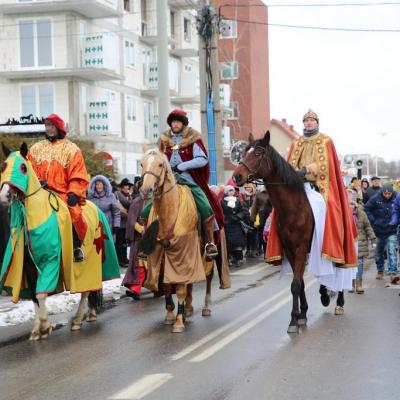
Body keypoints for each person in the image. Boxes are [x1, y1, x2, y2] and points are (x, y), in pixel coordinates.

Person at [267, 109, 357, 290]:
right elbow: (288, 164)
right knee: (279, 210)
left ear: (317, 123)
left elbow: (326, 166)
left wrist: (306, 170)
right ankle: (277, 246)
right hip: (298, 186)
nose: (308, 123)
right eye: (306, 121)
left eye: (311, 120)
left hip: (318, 186)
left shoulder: (326, 141)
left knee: (331, 207)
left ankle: (330, 244)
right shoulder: (297, 142)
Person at [156, 108, 225, 260]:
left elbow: (203, 159)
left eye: (178, 121)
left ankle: (209, 242)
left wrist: (182, 166)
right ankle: (147, 240)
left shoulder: (192, 138)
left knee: (206, 205)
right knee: (148, 206)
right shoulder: (163, 140)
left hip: (188, 179)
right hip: (168, 179)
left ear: (183, 123)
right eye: (173, 121)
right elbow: (156, 158)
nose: (175, 124)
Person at [28, 114, 89, 262]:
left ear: (58, 128)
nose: (48, 129)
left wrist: (73, 192)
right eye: (47, 126)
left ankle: (76, 247)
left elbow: (78, 172)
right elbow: (28, 169)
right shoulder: (36, 148)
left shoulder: (72, 149)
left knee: (73, 211)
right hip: (39, 192)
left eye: (51, 126)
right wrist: (37, 181)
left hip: (61, 193)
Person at [365, 183, 398, 279]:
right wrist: (373, 220)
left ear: (392, 192)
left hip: (392, 229)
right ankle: (380, 270)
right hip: (378, 230)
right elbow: (367, 208)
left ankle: (393, 272)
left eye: (389, 193)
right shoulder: (376, 198)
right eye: (385, 193)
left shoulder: (396, 198)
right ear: (382, 192)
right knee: (378, 253)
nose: (387, 195)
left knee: (392, 250)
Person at [347, 190, 376, 294]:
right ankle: (351, 284)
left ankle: (359, 284)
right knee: (349, 264)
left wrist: (373, 239)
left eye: (351, 204)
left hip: (360, 242)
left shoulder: (361, 214)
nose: (350, 206)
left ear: (355, 204)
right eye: (348, 203)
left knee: (359, 263)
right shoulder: (343, 215)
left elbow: (368, 227)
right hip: (348, 244)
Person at [221, 185, 249, 268]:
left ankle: (238, 259)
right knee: (229, 243)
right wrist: (225, 219)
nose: (231, 192)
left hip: (236, 224)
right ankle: (230, 258)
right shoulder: (222, 201)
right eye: (229, 191)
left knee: (238, 243)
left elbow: (243, 211)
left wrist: (238, 216)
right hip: (227, 225)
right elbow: (221, 212)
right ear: (226, 192)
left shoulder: (237, 200)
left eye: (232, 190)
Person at [115, 178, 133, 267]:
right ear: (122, 187)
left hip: (125, 223)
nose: (127, 187)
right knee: (120, 243)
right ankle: (121, 259)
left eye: (128, 186)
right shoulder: (119, 195)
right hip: (121, 224)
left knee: (124, 243)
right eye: (126, 186)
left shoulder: (128, 195)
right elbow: (128, 204)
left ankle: (124, 258)